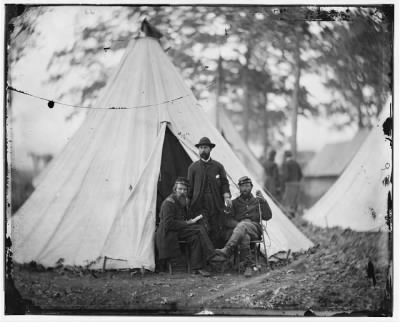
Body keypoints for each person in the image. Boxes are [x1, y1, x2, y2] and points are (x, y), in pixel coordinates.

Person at [156, 177, 225, 277]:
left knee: (195, 238)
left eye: (184, 190)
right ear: (175, 189)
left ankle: (197, 268)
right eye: (180, 189)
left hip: (178, 231)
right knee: (199, 229)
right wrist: (187, 223)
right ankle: (212, 255)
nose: (182, 192)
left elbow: (184, 217)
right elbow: (168, 224)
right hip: (169, 233)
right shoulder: (168, 203)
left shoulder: (181, 202)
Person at [216, 176, 272, 277]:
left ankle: (227, 249)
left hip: (255, 229)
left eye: (247, 186)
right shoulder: (234, 203)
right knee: (244, 236)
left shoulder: (257, 201)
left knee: (243, 227)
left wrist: (263, 201)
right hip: (241, 231)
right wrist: (239, 225)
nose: (245, 188)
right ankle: (248, 267)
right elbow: (227, 221)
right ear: (239, 188)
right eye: (242, 186)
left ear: (251, 187)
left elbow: (267, 216)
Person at [187, 137, 232, 248]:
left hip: (215, 203)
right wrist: (187, 203)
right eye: (201, 148)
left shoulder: (218, 166)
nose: (203, 150)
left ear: (210, 149)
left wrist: (226, 196)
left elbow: (224, 183)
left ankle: (216, 258)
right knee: (205, 229)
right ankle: (206, 258)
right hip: (199, 204)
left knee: (217, 229)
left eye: (206, 148)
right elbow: (189, 188)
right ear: (198, 150)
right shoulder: (193, 168)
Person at [280, 150, 303, 217]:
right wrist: (296, 181)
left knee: (288, 203)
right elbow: (300, 175)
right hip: (297, 184)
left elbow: (286, 176)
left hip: (289, 185)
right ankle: (293, 216)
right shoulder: (296, 163)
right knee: (294, 202)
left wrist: (283, 182)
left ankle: (289, 218)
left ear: (285, 156)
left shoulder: (286, 164)